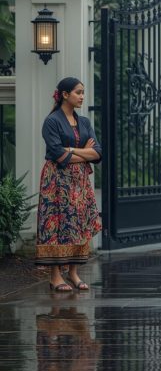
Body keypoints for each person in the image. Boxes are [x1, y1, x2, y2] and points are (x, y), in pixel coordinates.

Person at [35, 77, 102, 292]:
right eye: (78, 92)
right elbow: (56, 153)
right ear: (65, 95)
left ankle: (73, 273)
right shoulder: (52, 121)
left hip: (79, 181)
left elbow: (98, 153)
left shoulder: (84, 122)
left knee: (77, 223)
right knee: (56, 222)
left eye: (83, 92)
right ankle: (55, 276)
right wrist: (84, 153)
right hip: (56, 180)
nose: (82, 96)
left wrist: (72, 150)